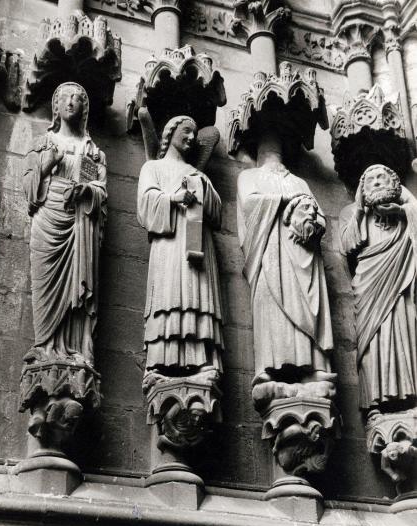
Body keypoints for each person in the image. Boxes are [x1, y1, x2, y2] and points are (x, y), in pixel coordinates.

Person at [23, 82, 107, 367]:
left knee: (77, 285)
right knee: (45, 282)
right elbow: (28, 193)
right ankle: (45, 346)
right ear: (55, 106)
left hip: (79, 222)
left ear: (84, 108)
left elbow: (98, 188)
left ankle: (76, 350)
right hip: (48, 216)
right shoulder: (43, 144)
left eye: (78, 98)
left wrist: (86, 192)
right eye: (64, 97)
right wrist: (47, 164)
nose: (71, 101)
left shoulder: (90, 151)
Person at [237, 159, 335, 404]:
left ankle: (314, 369)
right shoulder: (248, 176)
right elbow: (249, 204)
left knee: (308, 306)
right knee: (272, 306)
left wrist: (310, 217)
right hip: (270, 252)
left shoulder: (299, 181)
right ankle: (269, 369)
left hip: (304, 254)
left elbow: (320, 218)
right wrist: (284, 200)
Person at [137, 115, 224, 388]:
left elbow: (217, 214)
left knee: (197, 296)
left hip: (198, 246)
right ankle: (161, 362)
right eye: (186, 131)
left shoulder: (198, 173)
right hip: (169, 244)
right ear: (170, 132)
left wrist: (202, 188)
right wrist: (174, 198)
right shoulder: (153, 168)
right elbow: (145, 206)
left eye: (194, 135)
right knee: (169, 296)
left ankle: (200, 361)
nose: (190, 138)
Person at [340, 164, 417, 411]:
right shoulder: (352, 213)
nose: (375, 182)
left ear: (394, 183)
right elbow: (348, 245)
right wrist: (360, 211)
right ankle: (376, 400)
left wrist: (406, 204)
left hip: (400, 286)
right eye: (369, 179)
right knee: (373, 338)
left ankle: (409, 394)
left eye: (382, 177)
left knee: (403, 328)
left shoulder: (406, 212)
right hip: (369, 285)